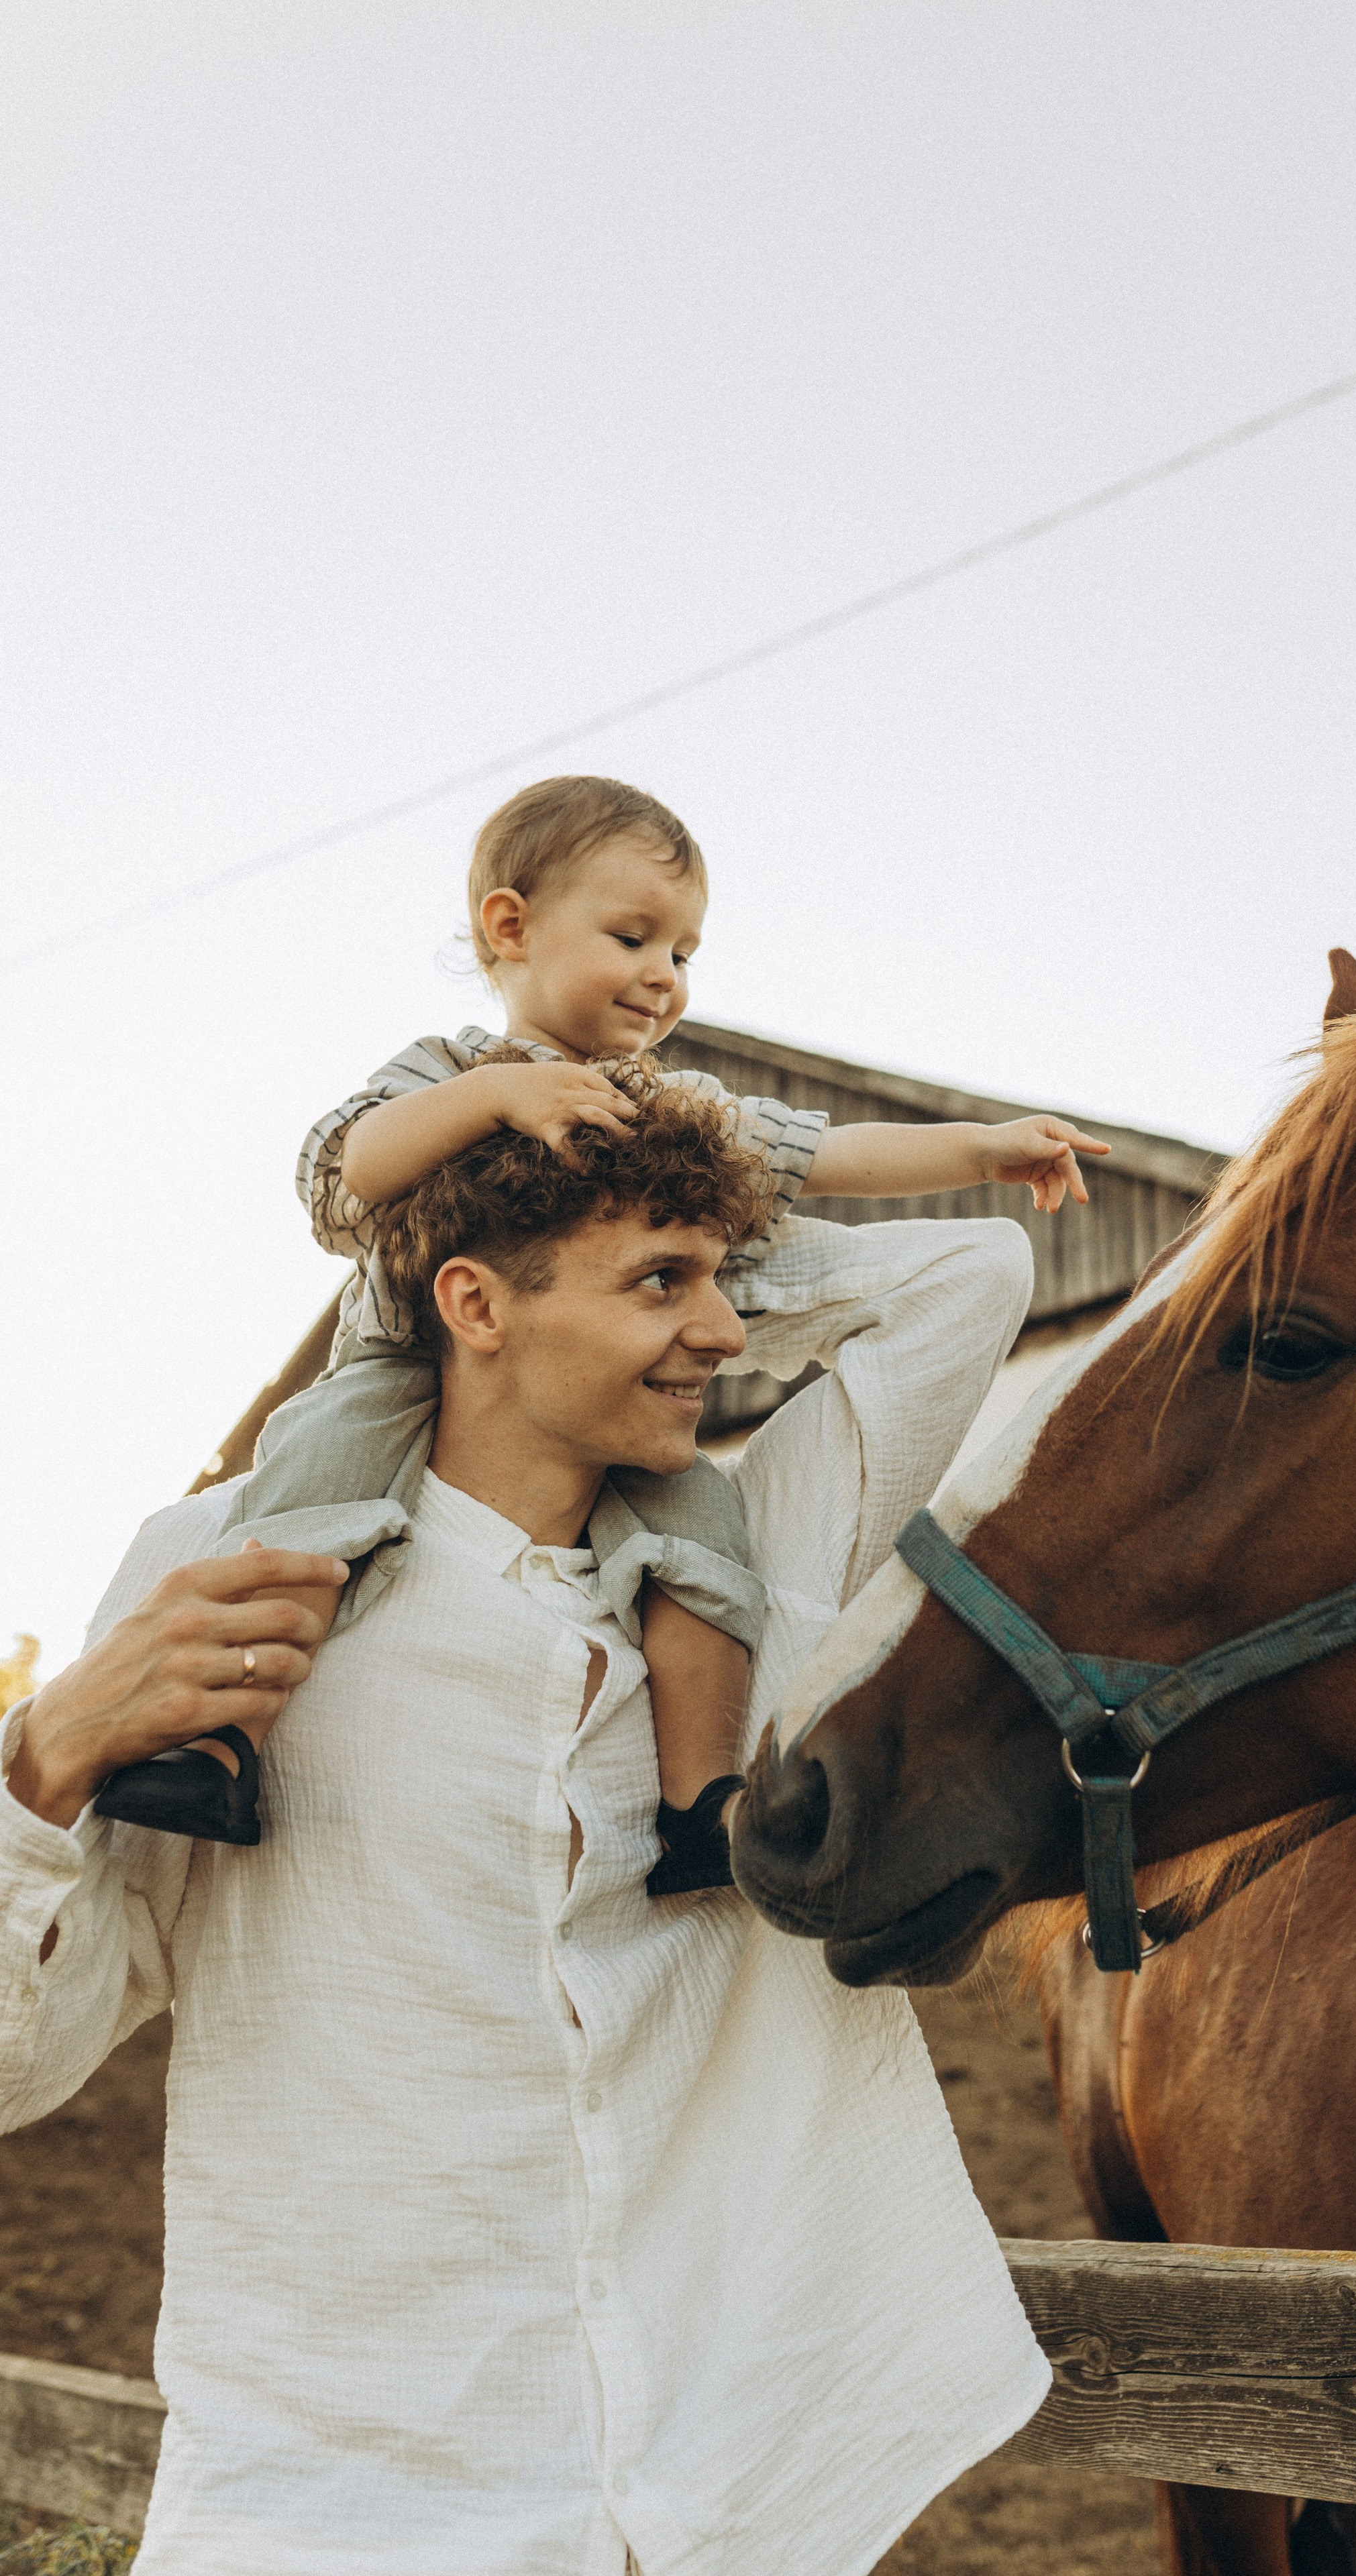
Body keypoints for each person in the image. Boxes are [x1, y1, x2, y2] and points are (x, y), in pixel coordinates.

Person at [1, 1070, 1050, 2575]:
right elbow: (16, 2063)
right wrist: (44, 1755)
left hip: (731, 2513)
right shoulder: (222, 1578)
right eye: (663, 1283)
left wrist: (676, 1200)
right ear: (474, 1308)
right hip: (323, 2512)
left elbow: (973, 1267)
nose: (728, 1332)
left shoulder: (771, 1557)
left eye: (722, 1277)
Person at [95, 773, 1106, 1885]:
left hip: (602, 1411)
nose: (663, 975)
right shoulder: (446, 1074)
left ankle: (696, 1803)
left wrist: (981, 1149)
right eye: (634, 936)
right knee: (308, 1509)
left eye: (685, 953)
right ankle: (221, 1744)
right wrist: (498, 1103)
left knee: (707, 1548)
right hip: (396, 1374)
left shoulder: (671, 1109)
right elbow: (345, 1174)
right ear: (511, 928)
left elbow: (825, 1151)